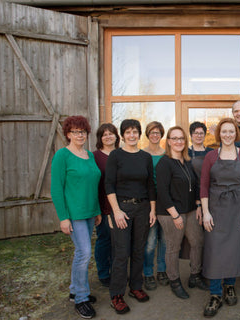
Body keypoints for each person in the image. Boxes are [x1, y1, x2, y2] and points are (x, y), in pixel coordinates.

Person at [200, 118, 240, 317]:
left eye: (231, 131)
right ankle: (215, 294)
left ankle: (230, 286)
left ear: (236, 134)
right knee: (215, 250)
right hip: (215, 208)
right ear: (219, 134)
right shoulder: (210, 157)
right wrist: (206, 212)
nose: (228, 135)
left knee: (233, 248)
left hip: (238, 208)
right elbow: (204, 186)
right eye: (224, 132)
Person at [51, 115, 101, 319]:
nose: (79, 135)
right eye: (75, 132)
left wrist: (97, 210)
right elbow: (56, 188)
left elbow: (93, 186)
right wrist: (63, 217)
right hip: (74, 215)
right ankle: (81, 299)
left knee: (81, 253)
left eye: (82, 132)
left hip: (90, 213)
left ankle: (75, 289)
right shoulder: (62, 156)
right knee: (84, 253)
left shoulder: (89, 155)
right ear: (68, 134)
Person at [105, 119, 156, 314]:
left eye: (135, 132)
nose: (132, 135)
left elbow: (150, 184)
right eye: (128, 132)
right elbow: (108, 185)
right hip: (122, 209)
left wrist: (152, 209)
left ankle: (135, 287)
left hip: (143, 208)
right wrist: (115, 211)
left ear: (139, 134)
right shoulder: (115, 156)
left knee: (138, 250)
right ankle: (116, 295)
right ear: (122, 135)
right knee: (121, 252)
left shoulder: (145, 157)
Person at [156, 126, 208, 300]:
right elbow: (162, 192)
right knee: (173, 246)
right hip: (171, 212)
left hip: (191, 210)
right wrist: (175, 215)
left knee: (198, 241)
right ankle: (174, 281)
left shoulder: (186, 161)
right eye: (175, 138)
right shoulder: (164, 162)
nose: (178, 141)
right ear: (169, 141)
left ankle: (195, 275)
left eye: (181, 138)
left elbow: (193, 187)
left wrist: (199, 205)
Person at [93, 123, 120, 288]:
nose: (108, 137)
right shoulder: (94, 157)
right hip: (103, 206)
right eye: (104, 134)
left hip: (121, 206)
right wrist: (96, 209)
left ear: (116, 136)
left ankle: (117, 271)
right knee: (104, 240)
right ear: (100, 138)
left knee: (119, 242)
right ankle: (103, 273)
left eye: (111, 134)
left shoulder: (121, 154)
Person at [142, 121, 168, 290]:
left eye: (158, 132)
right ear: (147, 134)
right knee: (150, 241)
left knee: (165, 240)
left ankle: (162, 270)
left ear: (161, 135)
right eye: (152, 132)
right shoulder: (142, 155)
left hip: (165, 202)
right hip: (147, 202)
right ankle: (148, 272)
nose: (155, 135)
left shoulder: (167, 155)